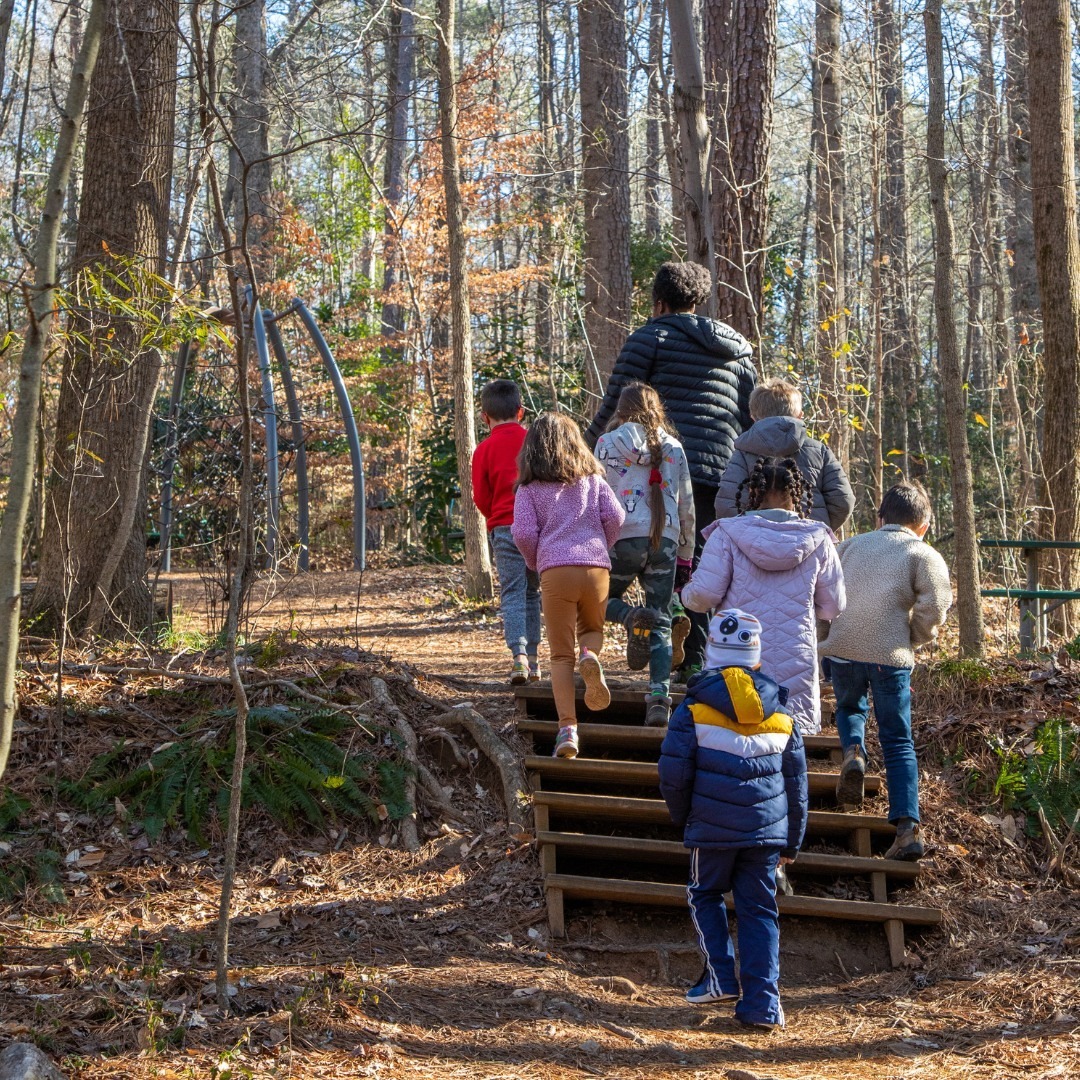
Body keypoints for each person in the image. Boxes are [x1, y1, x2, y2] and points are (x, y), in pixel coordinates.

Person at [585, 261, 757, 679]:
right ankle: (692, 661)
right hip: (720, 472)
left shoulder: (649, 339)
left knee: (638, 550)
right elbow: (751, 419)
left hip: (652, 469)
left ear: (658, 303)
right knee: (692, 563)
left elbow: (615, 406)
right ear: (698, 301)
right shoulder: (738, 353)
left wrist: (581, 454)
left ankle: (644, 626)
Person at [658, 609, 808, 1030]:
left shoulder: (693, 709)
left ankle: (721, 977)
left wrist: (686, 817)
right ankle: (763, 1004)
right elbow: (797, 786)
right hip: (766, 834)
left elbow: (673, 773)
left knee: (704, 894)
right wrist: (791, 843)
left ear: (710, 656)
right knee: (760, 911)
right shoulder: (783, 712)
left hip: (710, 827)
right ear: (757, 660)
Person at [818, 481, 952, 860]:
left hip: (843, 648)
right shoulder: (921, 552)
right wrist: (913, 637)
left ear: (880, 518)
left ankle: (854, 751)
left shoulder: (849, 546)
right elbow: (937, 602)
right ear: (923, 524)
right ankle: (908, 830)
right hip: (889, 655)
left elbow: (824, 596)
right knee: (897, 740)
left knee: (848, 708)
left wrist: (826, 640)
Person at [682, 457, 845, 735]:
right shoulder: (817, 539)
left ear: (752, 493)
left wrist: (684, 592)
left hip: (736, 655)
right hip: (796, 658)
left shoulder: (726, 535)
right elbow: (834, 606)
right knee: (790, 740)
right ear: (795, 495)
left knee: (732, 732)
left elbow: (702, 597)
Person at [512, 413, 626, 759]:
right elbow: (617, 516)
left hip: (555, 571)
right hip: (595, 568)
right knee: (591, 630)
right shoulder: (592, 481)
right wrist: (601, 545)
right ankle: (590, 657)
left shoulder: (529, 491)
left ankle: (568, 731)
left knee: (561, 656)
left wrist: (536, 560)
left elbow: (521, 533)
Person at [595, 382, 695, 727]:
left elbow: (597, 498)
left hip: (620, 540)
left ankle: (628, 616)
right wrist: (686, 551)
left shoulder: (606, 444)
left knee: (592, 603)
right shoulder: (674, 448)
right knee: (662, 618)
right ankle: (658, 698)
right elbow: (686, 504)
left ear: (620, 411)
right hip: (663, 541)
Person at [714, 378, 855, 532]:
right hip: (808, 542)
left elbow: (727, 503)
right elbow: (843, 500)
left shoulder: (743, 452)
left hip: (755, 547)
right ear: (800, 415)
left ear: (753, 417)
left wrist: (745, 537)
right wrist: (819, 530)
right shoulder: (819, 451)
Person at [471, 379, 542, 685]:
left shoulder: (483, 450)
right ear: (521, 411)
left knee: (513, 592)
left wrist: (497, 518)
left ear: (485, 417)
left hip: (505, 528)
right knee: (533, 592)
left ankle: (520, 659)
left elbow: (480, 497)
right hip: (539, 530)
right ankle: (537, 661)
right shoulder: (535, 443)